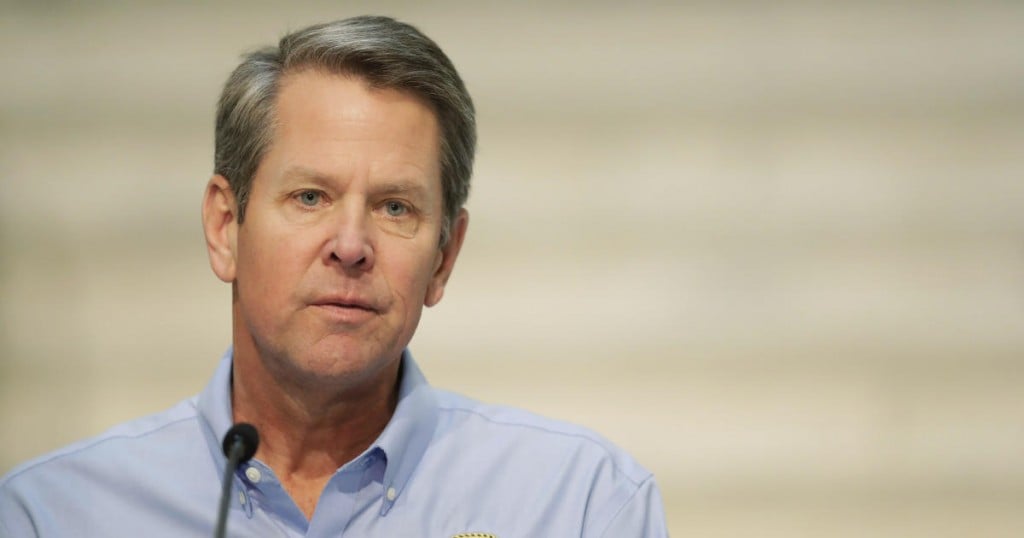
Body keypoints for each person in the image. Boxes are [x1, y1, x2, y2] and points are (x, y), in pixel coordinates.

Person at [0, 16, 668, 537]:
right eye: (311, 197)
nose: (350, 246)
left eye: (395, 207)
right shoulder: (51, 516)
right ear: (225, 227)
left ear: (444, 257)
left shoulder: (579, 505)